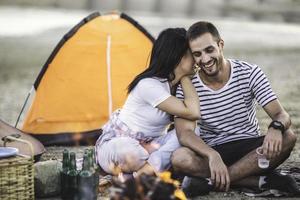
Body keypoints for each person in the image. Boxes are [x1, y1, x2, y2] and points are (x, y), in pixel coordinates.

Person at [171, 21, 299, 196]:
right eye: (197, 54)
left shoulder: (250, 72)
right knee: (180, 157)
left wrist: (276, 127)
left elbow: (280, 114)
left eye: (209, 50)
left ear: (220, 44)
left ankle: (210, 182)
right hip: (214, 150)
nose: (205, 59)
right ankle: (260, 180)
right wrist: (212, 155)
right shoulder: (186, 86)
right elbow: (185, 133)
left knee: (288, 136)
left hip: (251, 150)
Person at [95, 28, 200, 177]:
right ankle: (154, 170)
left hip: (151, 147)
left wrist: (184, 77)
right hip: (117, 145)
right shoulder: (149, 85)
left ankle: (145, 171)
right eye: (193, 54)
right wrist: (185, 77)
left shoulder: (177, 85)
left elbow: (194, 115)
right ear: (179, 56)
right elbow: (193, 111)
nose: (198, 59)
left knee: (194, 132)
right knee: (129, 151)